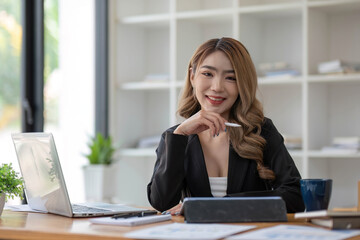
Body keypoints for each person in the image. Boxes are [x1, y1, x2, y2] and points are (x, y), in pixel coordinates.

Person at [147, 37, 305, 215]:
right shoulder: (175, 137)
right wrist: (180, 134)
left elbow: (295, 196)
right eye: (208, 74)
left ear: (242, 85)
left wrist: (218, 206)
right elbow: (162, 202)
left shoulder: (261, 130)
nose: (217, 87)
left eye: (231, 78)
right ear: (192, 76)